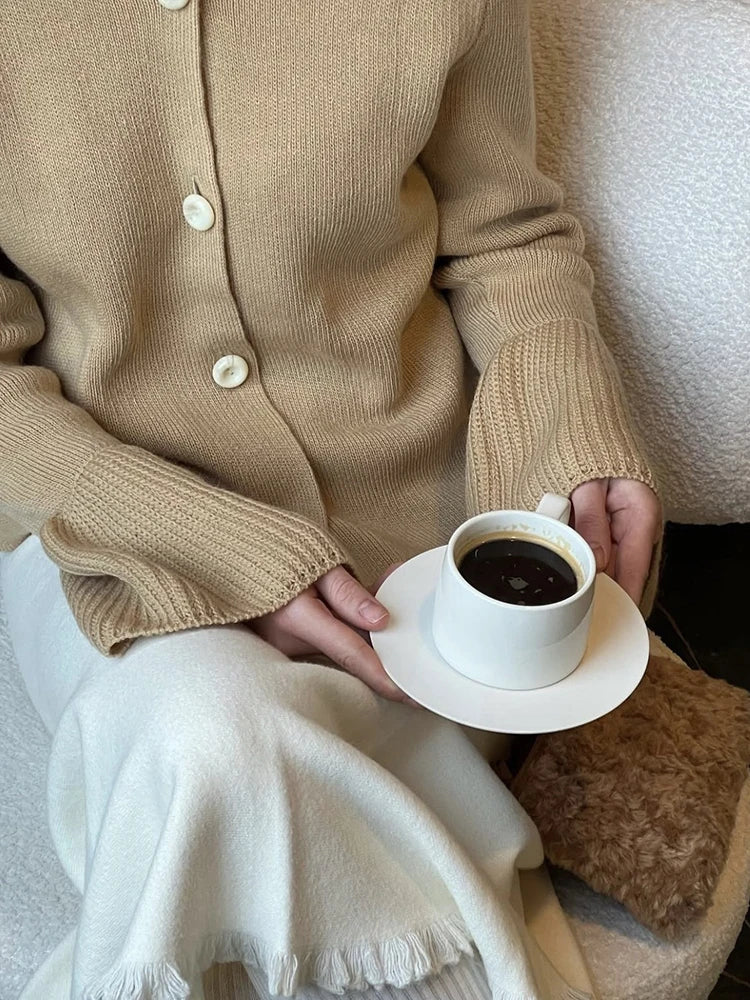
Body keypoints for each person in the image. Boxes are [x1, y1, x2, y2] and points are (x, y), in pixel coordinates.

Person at [0, 0, 661, 997]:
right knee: (204, 739)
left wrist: (572, 431)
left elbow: (507, 240)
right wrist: (203, 546)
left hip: (410, 552)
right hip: (104, 531)